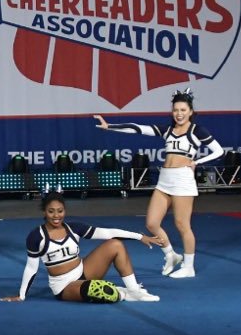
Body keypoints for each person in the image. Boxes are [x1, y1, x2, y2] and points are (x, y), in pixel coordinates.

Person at [94, 88, 224, 278]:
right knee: (152, 223)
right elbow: (138, 128)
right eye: (176, 110)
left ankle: (189, 267)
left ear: (190, 112)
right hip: (164, 180)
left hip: (183, 180)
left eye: (183, 110)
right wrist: (109, 126)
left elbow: (219, 151)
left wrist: (197, 162)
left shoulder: (198, 131)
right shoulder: (167, 130)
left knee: (182, 225)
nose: (179, 114)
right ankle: (171, 255)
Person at [2, 190, 163, 303]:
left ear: (65, 211)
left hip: (85, 270)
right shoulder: (36, 236)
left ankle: (134, 292)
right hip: (64, 286)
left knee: (115, 245)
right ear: (44, 212)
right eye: (51, 211)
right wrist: (21, 295)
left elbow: (108, 233)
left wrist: (140, 237)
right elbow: (31, 268)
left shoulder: (74, 228)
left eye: (60, 211)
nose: (56, 216)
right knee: (93, 291)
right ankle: (120, 293)